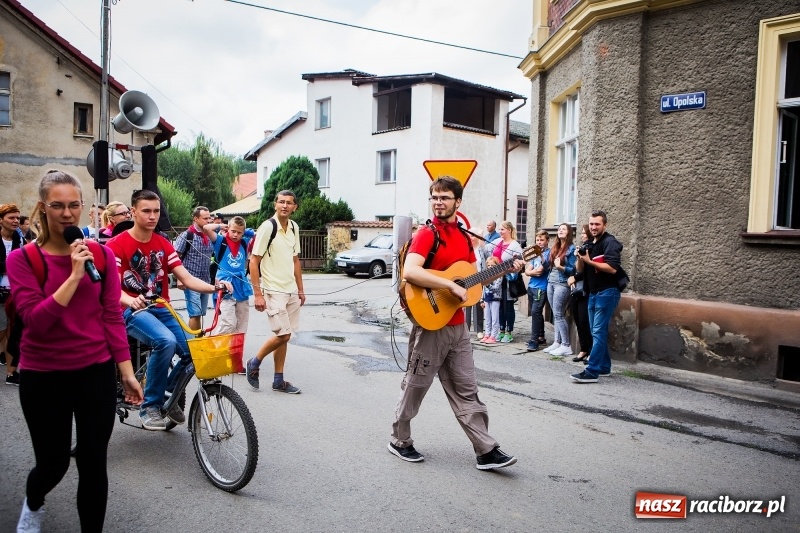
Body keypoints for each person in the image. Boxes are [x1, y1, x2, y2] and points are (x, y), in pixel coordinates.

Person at [8, 169, 143, 533]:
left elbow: (112, 315)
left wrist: (127, 372)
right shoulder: (23, 260)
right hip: (44, 376)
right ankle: (33, 505)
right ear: (42, 207)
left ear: (84, 207)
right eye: (57, 206)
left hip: (94, 373)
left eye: (74, 205)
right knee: (53, 465)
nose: (67, 214)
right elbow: (36, 322)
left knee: (93, 462)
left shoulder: (99, 255)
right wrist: (72, 276)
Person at [388, 176, 522, 470]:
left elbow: (472, 281)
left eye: (444, 197)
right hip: (431, 323)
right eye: (434, 197)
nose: (438, 202)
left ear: (457, 202)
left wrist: (505, 269)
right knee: (416, 384)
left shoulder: (463, 237)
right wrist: (448, 286)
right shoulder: (426, 234)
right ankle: (400, 439)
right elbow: (411, 272)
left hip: (458, 326)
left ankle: (486, 449)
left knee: (467, 388)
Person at [107, 190, 230, 430]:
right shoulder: (117, 245)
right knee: (165, 341)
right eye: (146, 211)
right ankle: (150, 406)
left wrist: (214, 288)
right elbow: (112, 287)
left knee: (193, 351)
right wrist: (129, 301)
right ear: (133, 212)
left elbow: (186, 277)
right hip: (131, 309)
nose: (152, 216)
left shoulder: (163, 243)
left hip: (160, 306)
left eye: (156, 211)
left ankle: (169, 396)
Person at [245, 190, 305, 394]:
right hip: (273, 289)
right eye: (281, 202)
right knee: (284, 334)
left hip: (290, 290)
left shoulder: (294, 228)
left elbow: (295, 260)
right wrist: (258, 294)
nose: (285, 206)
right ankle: (254, 362)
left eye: (289, 203)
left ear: (295, 207)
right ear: (275, 204)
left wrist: (301, 289)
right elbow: (254, 261)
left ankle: (278, 380)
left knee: (284, 335)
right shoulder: (267, 227)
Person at [570, 210, 624, 383]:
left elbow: (613, 268)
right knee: (596, 332)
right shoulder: (591, 244)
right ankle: (604, 367)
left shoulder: (610, 242)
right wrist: (580, 257)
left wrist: (589, 261)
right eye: (591, 224)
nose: (593, 227)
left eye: (597, 224)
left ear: (604, 225)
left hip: (607, 292)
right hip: (593, 292)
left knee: (598, 332)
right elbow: (580, 270)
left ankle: (592, 371)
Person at [203, 216, 255, 335]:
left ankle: (235, 349)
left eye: (239, 232)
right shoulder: (221, 241)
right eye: (233, 231)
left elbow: (257, 235)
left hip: (241, 284)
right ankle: (215, 345)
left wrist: (245, 231)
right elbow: (206, 228)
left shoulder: (244, 241)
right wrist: (222, 226)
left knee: (242, 324)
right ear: (228, 229)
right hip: (225, 284)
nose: (236, 235)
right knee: (229, 323)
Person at [174, 206, 214, 332]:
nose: (208, 221)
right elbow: (175, 258)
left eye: (209, 218)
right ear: (196, 219)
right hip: (190, 280)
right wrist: (180, 279)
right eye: (205, 218)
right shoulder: (187, 235)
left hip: (205, 281)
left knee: (200, 313)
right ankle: (192, 342)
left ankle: (198, 339)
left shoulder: (210, 236)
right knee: (195, 313)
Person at [542, 223, 577, 357]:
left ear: (568, 233)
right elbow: (546, 266)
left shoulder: (571, 249)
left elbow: (573, 270)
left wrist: (561, 267)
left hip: (562, 284)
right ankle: (557, 342)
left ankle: (566, 345)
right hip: (551, 282)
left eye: (563, 229)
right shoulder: (555, 247)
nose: (560, 231)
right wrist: (540, 256)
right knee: (556, 313)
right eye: (559, 229)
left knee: (559, 314)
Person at [0, 203, 24, 383]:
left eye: (17, 217)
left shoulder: (20, 238)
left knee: (13, 333)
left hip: (16, 292)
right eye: (11, 218)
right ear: (1, 220)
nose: (16, 221)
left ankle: (11, 372)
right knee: (1, 331)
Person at [490, 221, 523, 343]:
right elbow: (486, 248)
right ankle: (501, 330)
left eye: (502, 229)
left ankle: (509, 332)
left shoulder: (515, 245)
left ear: (509, 230)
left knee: (508, 305)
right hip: (497, 279)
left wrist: (515, 264)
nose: (500, 231)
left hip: (508, 279)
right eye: (499, 229)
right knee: (499, 306)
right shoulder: (498, 242)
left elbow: (521, 262)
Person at [568, 224, 593, 363]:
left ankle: (590, 351)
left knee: (585, 321)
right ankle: (583, 349)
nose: (582, 235)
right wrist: (571, 277)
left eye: (584, 233)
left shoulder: (591, 249)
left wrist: (575, 277)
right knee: (577, 319)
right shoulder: (582, 248)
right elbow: (577, 268)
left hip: (586, 290)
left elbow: (587, 271)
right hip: (576, 290)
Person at [525, 229, 551, 351]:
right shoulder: (534, 254)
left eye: (542, 240)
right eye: (537, 240)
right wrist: (531, 272)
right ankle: (541, 336)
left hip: (541, 287)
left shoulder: (548, 253)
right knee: (536, 313)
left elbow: (540, 271)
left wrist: (532, 272)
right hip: (531, 287)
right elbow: (527, 270)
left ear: (547, 241)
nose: (539, 242)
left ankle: (534, 340)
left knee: (535, 312)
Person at [464, 233, 486, 340]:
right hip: (467, 280)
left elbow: (485, 265)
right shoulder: (466, 248)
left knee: (478, 305)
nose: (470, 238)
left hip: (478, 279)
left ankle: (479, 330)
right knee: (467, 304)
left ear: (477, 237)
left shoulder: (482, 250)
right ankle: (466, 329)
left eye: (472, 236)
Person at [480, 256, 502, 344]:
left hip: (495, 298)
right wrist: (481, 299)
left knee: (494, 318)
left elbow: (496, 288)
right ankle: (487, 334)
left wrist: (488, 284)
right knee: (487, 318)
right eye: (488, 265)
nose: (489, 267)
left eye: (492, 265)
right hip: (487, 298)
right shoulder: (486, 275)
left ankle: (494, 336)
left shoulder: (499, 275)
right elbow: (483, 288)